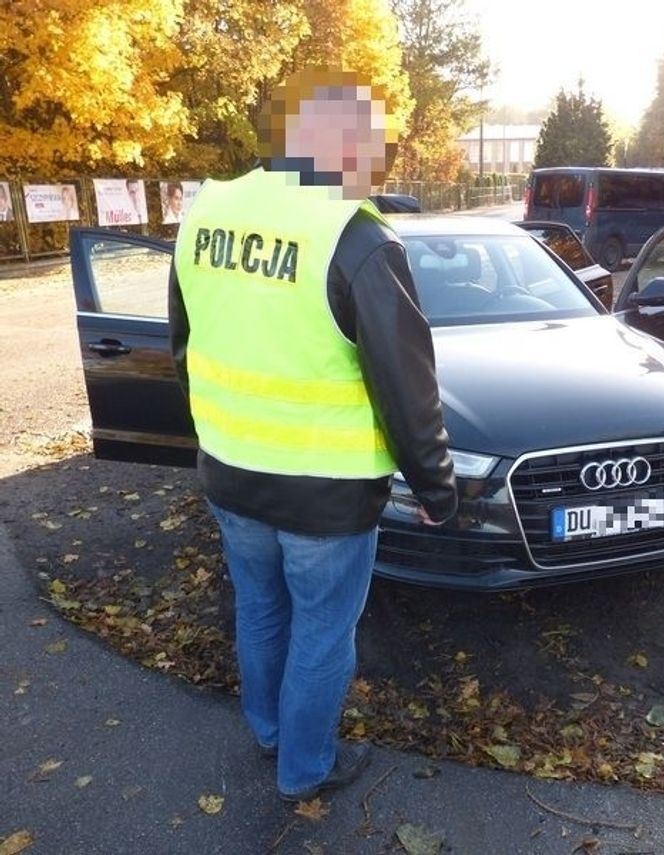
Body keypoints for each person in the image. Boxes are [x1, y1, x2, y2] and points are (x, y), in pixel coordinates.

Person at [168, 67, 457, 803]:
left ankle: (268, 732)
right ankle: (305, 767)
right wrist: (435, 487)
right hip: (326, 495)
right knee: (323, 630)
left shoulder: (206, 212)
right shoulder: (353, 236)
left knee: (260, 608)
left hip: (231, 471)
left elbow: (183, 343)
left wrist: (214, 430)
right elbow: (406, 384)